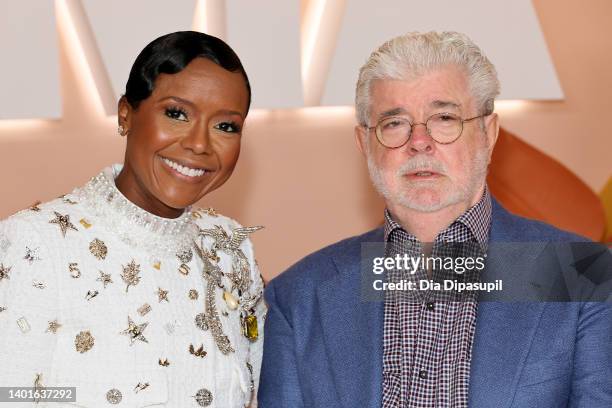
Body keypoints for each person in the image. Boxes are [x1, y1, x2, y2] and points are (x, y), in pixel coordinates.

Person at [258, 31, 612, 407]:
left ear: (488, 134)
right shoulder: (296, 299)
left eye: (444, 118)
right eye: (394, 123)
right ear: (364, 143)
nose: (420, 141)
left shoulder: (582, 275)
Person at [0, 31, 265, 407]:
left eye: (226, 126)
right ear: (126, 114)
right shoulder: (36, 243)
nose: (200, 143)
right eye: (177, 114)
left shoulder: (229, 246)